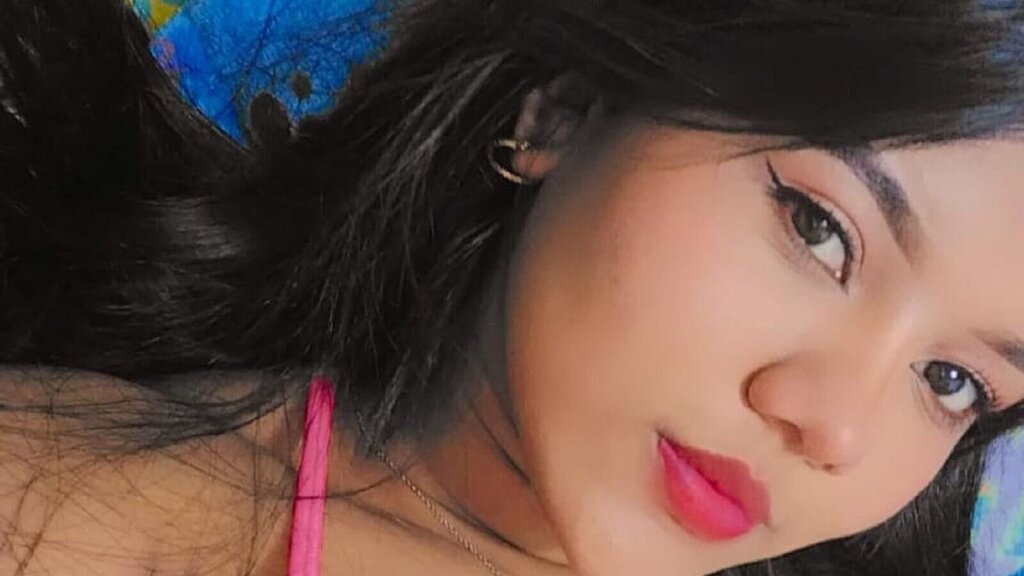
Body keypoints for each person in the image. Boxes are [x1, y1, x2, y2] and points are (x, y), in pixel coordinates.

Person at [1, 0, 1023, 574]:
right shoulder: (58, 510)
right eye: (819, 229)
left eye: (951, 380)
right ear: (561, 113)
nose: (837, 429)